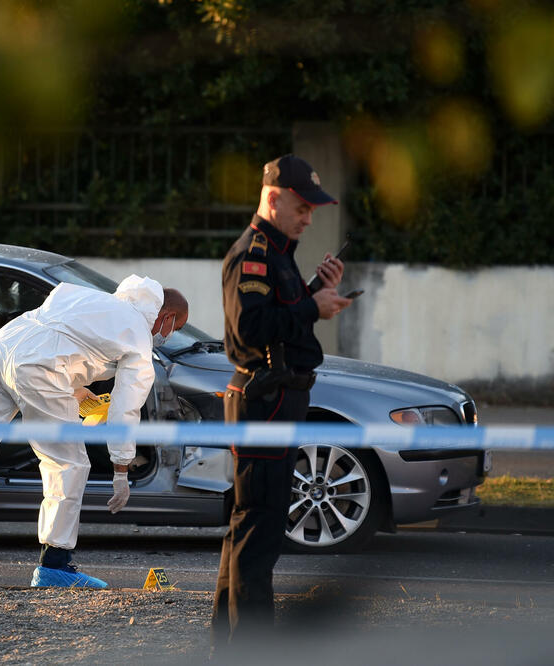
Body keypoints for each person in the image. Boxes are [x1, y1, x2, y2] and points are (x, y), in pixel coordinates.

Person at [0, 275, 188, 588]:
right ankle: (54, 566)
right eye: (175, 327)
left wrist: (73, 388)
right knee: (68, 463)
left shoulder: (89, 297)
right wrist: (120, 469)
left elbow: (57, 337)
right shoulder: (139, 338)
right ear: (166, 317)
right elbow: (126, 409)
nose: (168, 335)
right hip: (37, 368)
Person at [212, 154, 352, 648]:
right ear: (273, 199)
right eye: (302, 207)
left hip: (276, 399)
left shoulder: (279, 252)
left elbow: (280, 314)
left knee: (249, 527)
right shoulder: (254, 253)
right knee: (259, 531)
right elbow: (248, 331)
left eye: (313, 209)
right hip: (264, 399)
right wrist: (312, 307)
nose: (309, 217)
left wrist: (315, 291)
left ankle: (228, 647)